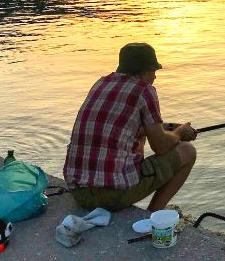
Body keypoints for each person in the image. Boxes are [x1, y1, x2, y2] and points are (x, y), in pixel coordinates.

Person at [63, 43, 197, 212]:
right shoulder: (145, 91)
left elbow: (124, 127)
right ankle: (153, 214)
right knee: (187, 151)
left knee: (140, 134)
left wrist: (169, 127)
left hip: (79, 193)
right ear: (143, 72)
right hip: (113, 196)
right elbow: (161, 147)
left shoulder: (101, 83)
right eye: (154, 71)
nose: (155, 77)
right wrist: (179, 133)